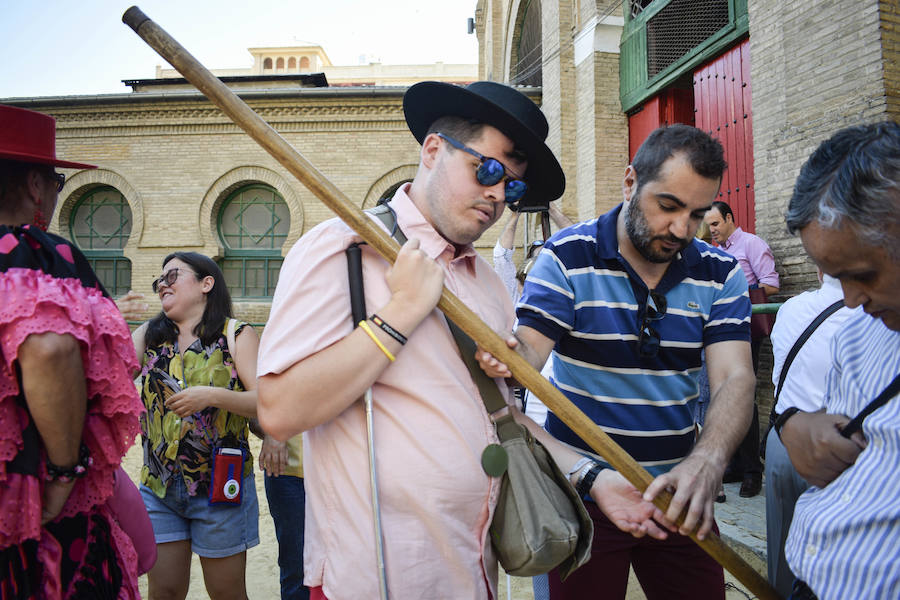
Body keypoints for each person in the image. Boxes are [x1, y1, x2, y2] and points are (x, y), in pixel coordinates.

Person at [256, 80, 668, 600]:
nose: (498, 195)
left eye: (512, 187)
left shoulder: (489, 286)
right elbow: (279, 409)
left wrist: (592, 477)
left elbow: (503, 420)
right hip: (373, 580)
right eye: (489, 170)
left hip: (472, 573)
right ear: (433, 150)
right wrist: (400, 313)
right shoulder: (342, 250)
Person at [478, 124, 757, 599]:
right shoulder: (567, 258)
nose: (681, 231)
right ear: (630, 183)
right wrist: (505, 354)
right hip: (584, 498)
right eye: (667, 207)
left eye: (697, 214)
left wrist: (708, 462)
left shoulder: (721, 272)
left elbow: (734, 376)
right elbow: (527, 353)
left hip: (678, 493)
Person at [0, 104, 144, 597]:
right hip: (28, 512)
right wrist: (63, 471)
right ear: (36, 185)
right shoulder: (31, 251)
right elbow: (48, 349)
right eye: (57, 182)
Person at [779, 121, 900, 600]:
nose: (850, 300)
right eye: (835, 278)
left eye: (863, 274)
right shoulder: (859, 334)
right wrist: (792, 424)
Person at [132, 252, 261, 600]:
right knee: (164, 592)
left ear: (207, 284)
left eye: (172, 275)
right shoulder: (147, 335)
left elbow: (267, 400)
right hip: (159, 488)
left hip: (221, 488)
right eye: (159, 280)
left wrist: (214, 396)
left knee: (226, 593)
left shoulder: (237, 335)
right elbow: (105, 382)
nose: (162, 284)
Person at [764, 270, 853, 597]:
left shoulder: (790, 307)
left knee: (783, 557)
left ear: (819, 269)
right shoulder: (870, 318)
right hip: (838, 451)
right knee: (838, 562)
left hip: (782, 438)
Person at [704, 200, 779, 497]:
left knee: (742, 395)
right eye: (708, 226)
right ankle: (734, 464)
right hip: (717, 332)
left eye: (715, 224)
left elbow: (771, 285)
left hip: (745, 329)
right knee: (721, 395)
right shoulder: (715, 252)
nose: (712, 231)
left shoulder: (751, 244)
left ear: (729, 218)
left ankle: (752, 471)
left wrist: (732, 294)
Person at [252, 424, 309, 600]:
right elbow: (255, 408)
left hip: (343, 468)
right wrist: (270, 432)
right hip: (289, 471)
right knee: (296, 568)